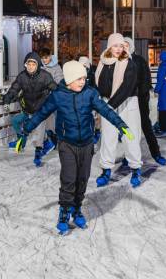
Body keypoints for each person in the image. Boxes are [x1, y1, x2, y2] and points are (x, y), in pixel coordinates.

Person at [22, 61, 132, 234]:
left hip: (87, 143)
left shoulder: (89, 93)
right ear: (69, 79)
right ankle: (64, 213)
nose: (82, 81)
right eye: (79, 79)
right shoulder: (58, 95)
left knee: (82, 179)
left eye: (84, 78)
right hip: (67, 143)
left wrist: (120, 124)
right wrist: (25, 130)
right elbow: (41, 113)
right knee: (69, 179)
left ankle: (76, 208)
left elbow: (105, 109)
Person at [94, 33, 144, 188]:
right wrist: (100, 103)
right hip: (108, 103)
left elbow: (127, 87)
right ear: (109, 46)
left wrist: (109, 106)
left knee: (130, 135)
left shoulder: (128, 63)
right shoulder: (103, 63)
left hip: (127, 103)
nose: (118, 49)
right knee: (108, 137)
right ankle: (106, 169)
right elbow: (99, 86)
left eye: (121, 46)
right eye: (115, 45)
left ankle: (135, 168)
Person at [1, 52, 57, 167]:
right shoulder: (22, 76)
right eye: (29, 64)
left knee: (40, 129)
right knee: (32, 127)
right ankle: (38, 142)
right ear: (26, 65)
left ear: (37, 65)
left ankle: (38, 152)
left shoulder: (45, 76)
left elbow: (54, 87)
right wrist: (7, 100)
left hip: (41, 107)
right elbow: (14, 89)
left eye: (33, 64)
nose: (31, 67)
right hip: (29, 108)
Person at [124, 37, 166, 166]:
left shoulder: (139, 61)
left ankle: (156, 153)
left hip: (140, 100)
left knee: (146, 128)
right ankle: (129, 156)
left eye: (127, 45)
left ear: (131, 46)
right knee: (127, 131)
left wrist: (138, 95)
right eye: (122, 45)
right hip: (125, 102)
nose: (124, 47)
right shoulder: (119, 62)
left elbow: (146, 80)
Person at [39, 49, 64, 152]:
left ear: (50, 56)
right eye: (42, 58)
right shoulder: (40, 68)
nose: (44, 60)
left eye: (46, 57)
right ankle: (49, 139)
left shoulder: (56, 68)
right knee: (45, 120)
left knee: (55, 119)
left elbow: (60, 81)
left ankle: (58, 140)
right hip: (43, 98)